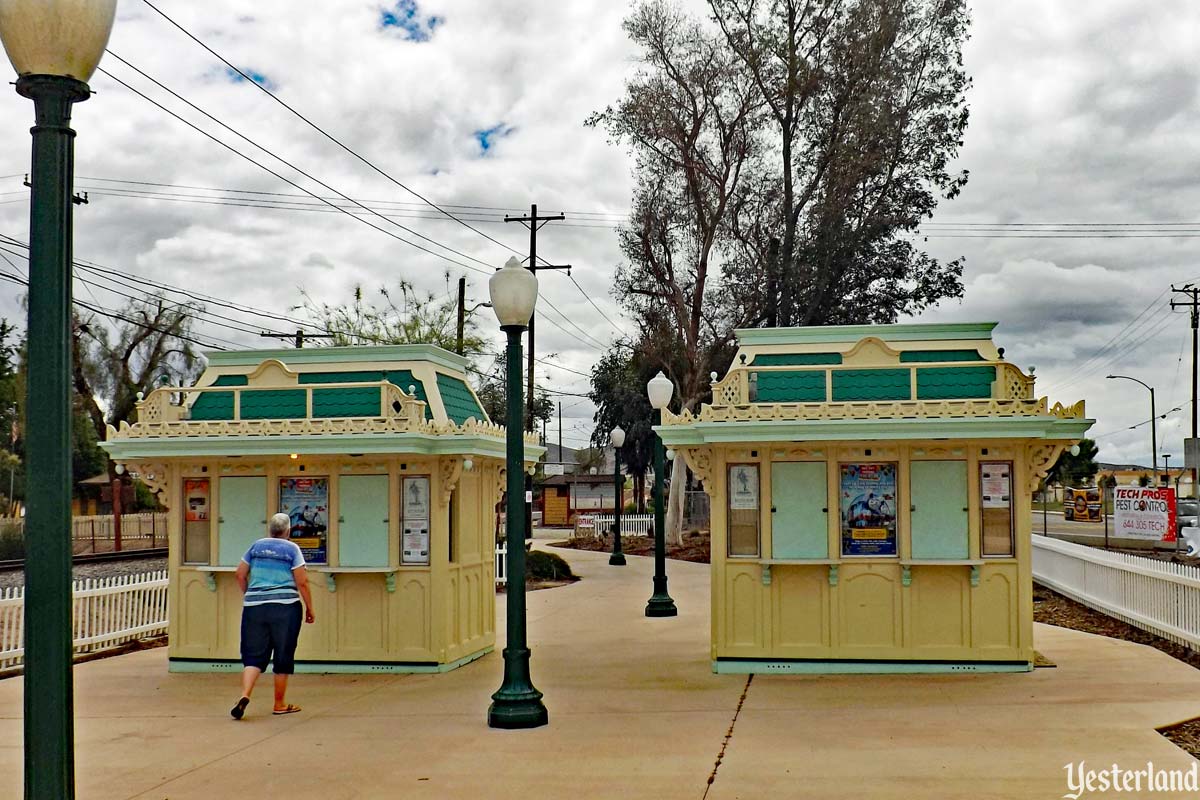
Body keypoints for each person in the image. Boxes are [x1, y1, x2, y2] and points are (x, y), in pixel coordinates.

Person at [230, 512, 315, 720]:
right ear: (288, 531)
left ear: (270, 529)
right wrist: (310, 607)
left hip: (254, 607)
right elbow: (302, 581)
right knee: (283, 654)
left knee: (253, 656)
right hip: (285, 607)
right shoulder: (292, 548)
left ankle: (244, 695)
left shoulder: (256, 546)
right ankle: (279, 704)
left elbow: (239, 574)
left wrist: (250, 593)